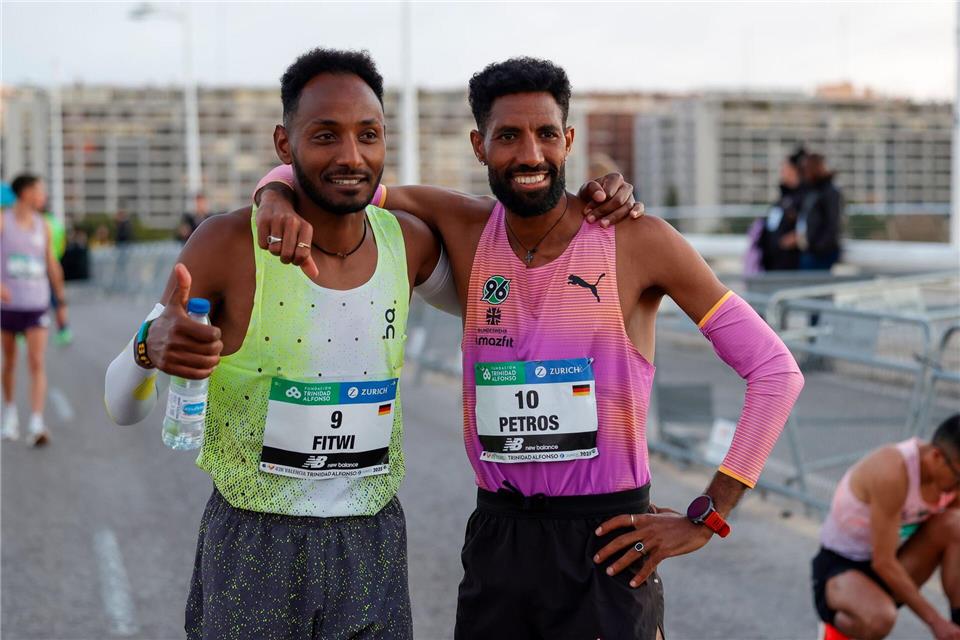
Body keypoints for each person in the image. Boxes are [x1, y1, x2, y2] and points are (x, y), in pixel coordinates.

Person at [254, 57, 805, 640]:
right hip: (500, 539)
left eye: (546, 134)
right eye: (509, 136)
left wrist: (708, 514)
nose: (531, 155)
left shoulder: (639, 240)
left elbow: (774, 370)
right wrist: (272, 196)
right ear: (479, 145)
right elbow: (343, 176)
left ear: (568, 140)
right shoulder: (464, 228)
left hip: (608, 540)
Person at [103, 49, 638, 638]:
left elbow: (523, 304)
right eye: (324, 136)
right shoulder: (226, 243)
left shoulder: (408, 243)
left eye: (368, 135)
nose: (350, 156)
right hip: (254, 537)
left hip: (373, 541)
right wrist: (147, 348)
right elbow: (121, 408)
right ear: (285, 144)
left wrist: (588, 213)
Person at [812, 414, 960, 640]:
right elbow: (883, 562)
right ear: (937, 456)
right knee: (880, 618)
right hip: (841, 564)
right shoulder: (893, 471)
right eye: (959, 477)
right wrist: (935, 622)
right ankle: (835, 630)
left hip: (894, 556)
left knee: (954, 525)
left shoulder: (950, 476)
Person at [1, 174, 66, 446]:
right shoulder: (3, 220)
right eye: (39, 190)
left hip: (36, 303)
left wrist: (61, 302)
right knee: (11, 362)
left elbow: (51, 262)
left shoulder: (44, 226)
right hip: (8, 305)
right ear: (25, 192)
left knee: (37, 361)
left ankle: (37, 422)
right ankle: (11, 412)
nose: (43, 195)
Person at [783, 153, 842, 271]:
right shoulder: (812, 190)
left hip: (820, 253)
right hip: (809, 250)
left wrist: (816, 246)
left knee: (814, 287)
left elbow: (832, 224)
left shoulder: (829, 192)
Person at [758, 152, 806, 272]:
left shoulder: (805, 197)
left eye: (785, 167)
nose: (782, 171)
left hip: (791, 265)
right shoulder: (784, 197)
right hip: (772, 264)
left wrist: (797, 238)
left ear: (795, 170)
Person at [42, 208, 72, 345]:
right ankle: (64, 331)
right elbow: (63, 245)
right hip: (56, 263)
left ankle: (23, 332)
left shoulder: (40, 223)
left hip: (42, 264)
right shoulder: (57, 224)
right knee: (59, 298)